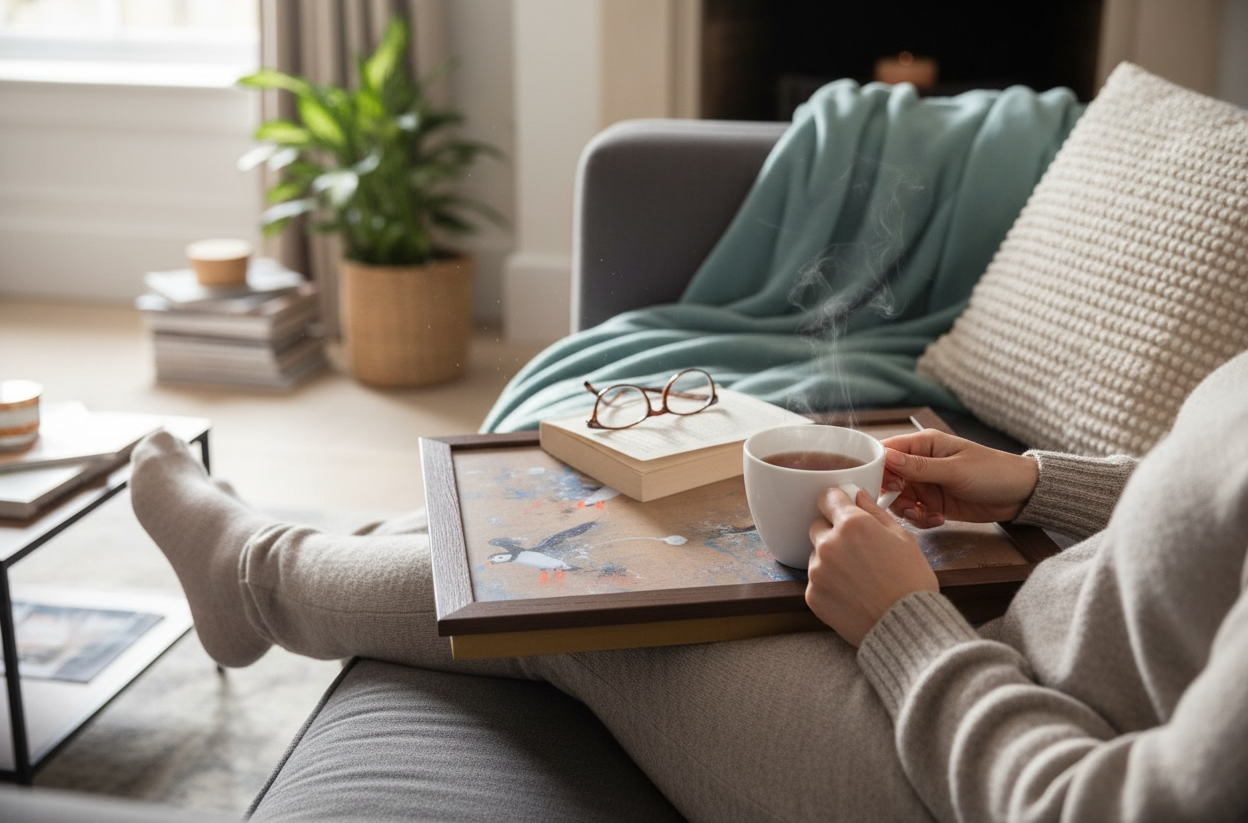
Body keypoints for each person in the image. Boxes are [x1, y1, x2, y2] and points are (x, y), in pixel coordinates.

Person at [129, 349, 1248, 823]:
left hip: (951, 773)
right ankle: (343, 547)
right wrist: (1048, 484)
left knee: (571, 607)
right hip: (1024, 651)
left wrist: (908, 629)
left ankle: (253, 578)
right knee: (601, 514)